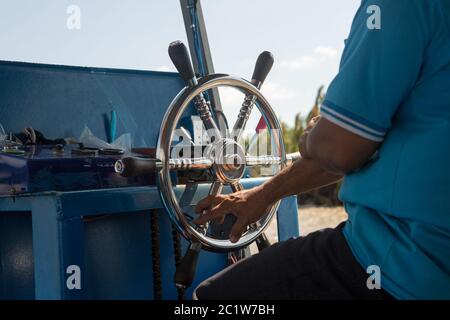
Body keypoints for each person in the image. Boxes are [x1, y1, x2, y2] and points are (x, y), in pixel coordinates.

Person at [193, 0, 450, 300]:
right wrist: (262, 194)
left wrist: (312, 138)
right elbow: (354, 146)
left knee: (212, 299)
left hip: (403, 265)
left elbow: (338, 147)